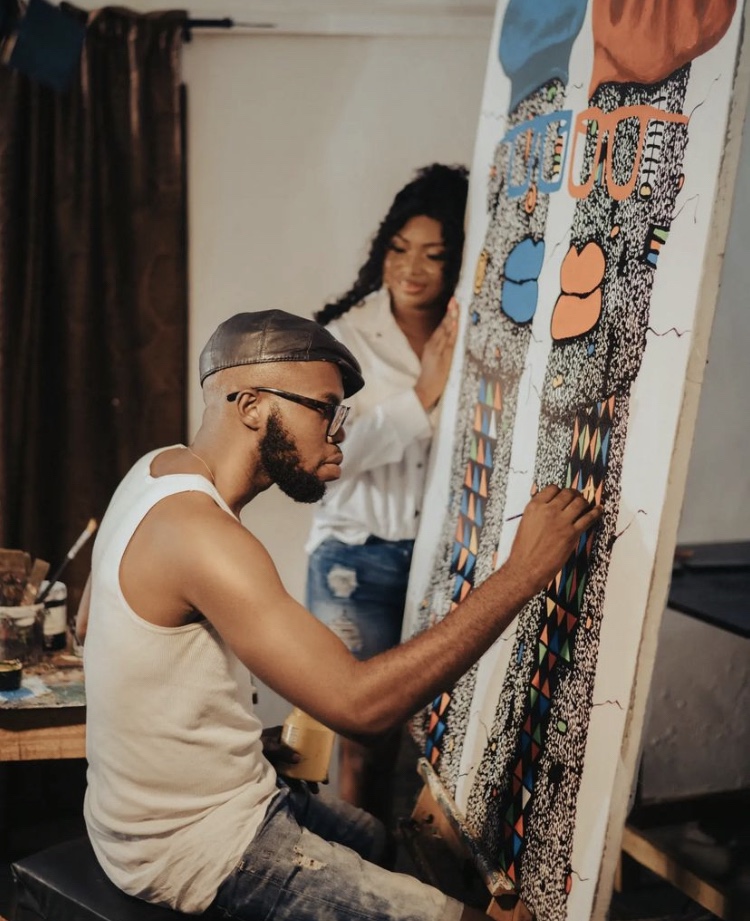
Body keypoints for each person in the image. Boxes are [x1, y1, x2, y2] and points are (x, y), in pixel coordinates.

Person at [76, 308, 601, 921]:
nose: (338, 433)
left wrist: (206, 745)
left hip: (129, 818)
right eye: (325, 410)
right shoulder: (203, 535)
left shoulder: (156, 468)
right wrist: (522, 573)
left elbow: (90, 624)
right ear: (251, 406)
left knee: (373, 837)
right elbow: (362, 709)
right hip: (192, 848)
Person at [306, 164, 468, 821]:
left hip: (447, 560)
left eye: (434, 254)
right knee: (363, 740)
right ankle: (363, 868)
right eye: (400, 249)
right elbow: (330, 457)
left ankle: (405, 865)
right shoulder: (345, 336)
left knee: (439, 741)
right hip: (358, 560)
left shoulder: (477, 329)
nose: (412, 268)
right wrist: (422, 395)